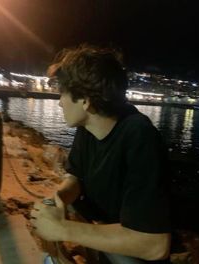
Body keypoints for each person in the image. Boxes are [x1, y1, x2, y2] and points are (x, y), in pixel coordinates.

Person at [31, 44, 171, 264]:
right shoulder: (88, 126)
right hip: (101, 235)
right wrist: (58, 198)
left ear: (85, 101)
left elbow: (155, 245)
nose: (59, 102)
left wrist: (62, 229)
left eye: (63, 94)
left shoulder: (140, 137)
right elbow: (75, 176)